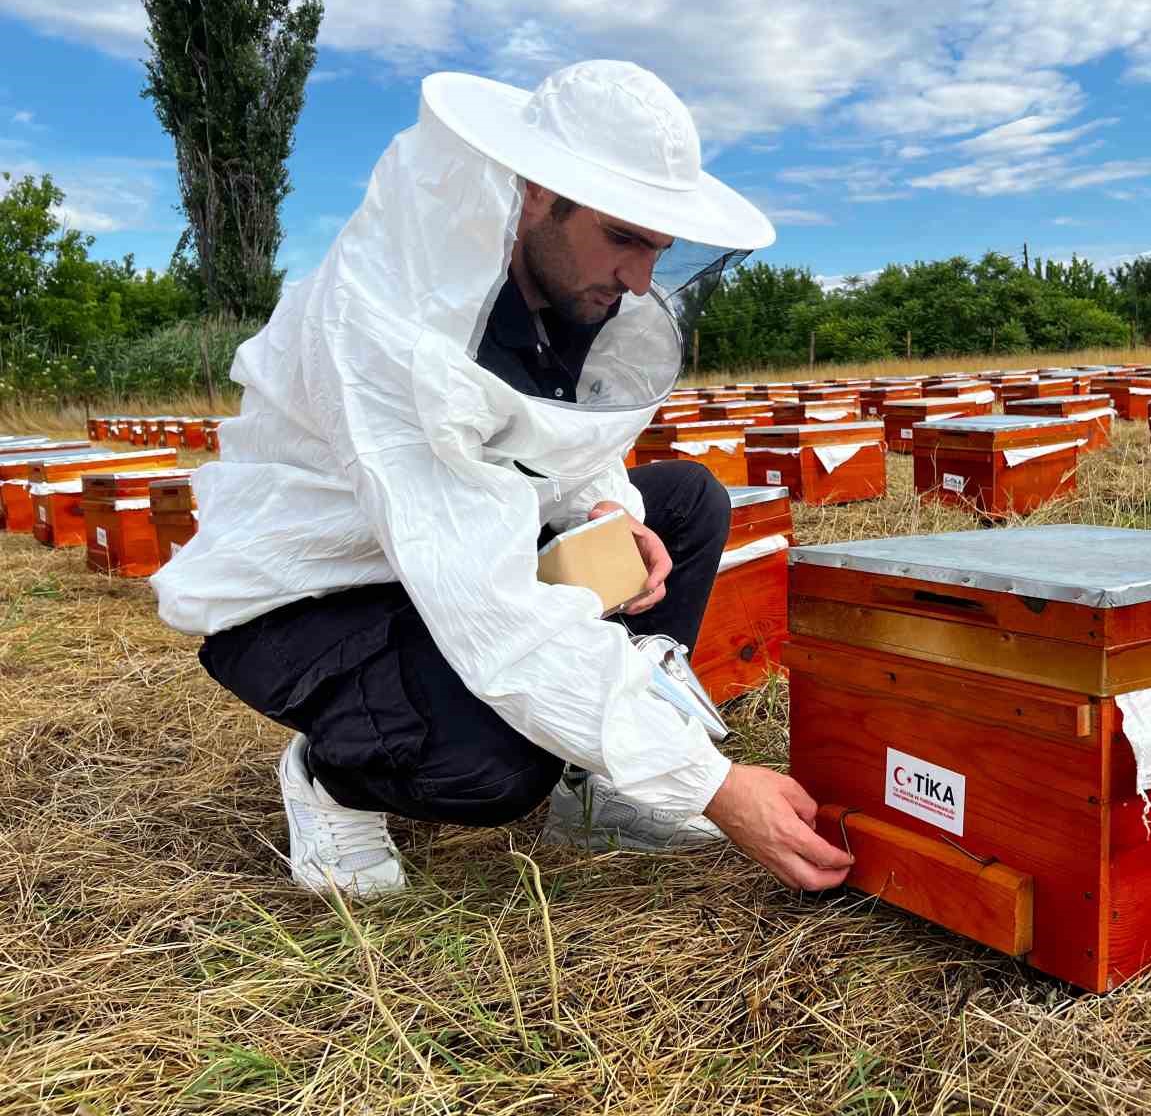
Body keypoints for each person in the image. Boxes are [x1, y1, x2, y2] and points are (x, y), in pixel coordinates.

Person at [152, 61, 853, 899]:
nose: (640, 278)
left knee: (684, 502)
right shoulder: (383, 329)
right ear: (532, 193)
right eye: (624, 237)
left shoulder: (556, 282)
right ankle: (328, 777)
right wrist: (711, 784)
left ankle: (604, 791)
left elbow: (569, 435)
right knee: (492, 767)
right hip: (308, 599)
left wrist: (607, 511)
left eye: (657, 250)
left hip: (450, 554)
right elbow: (490, 613)